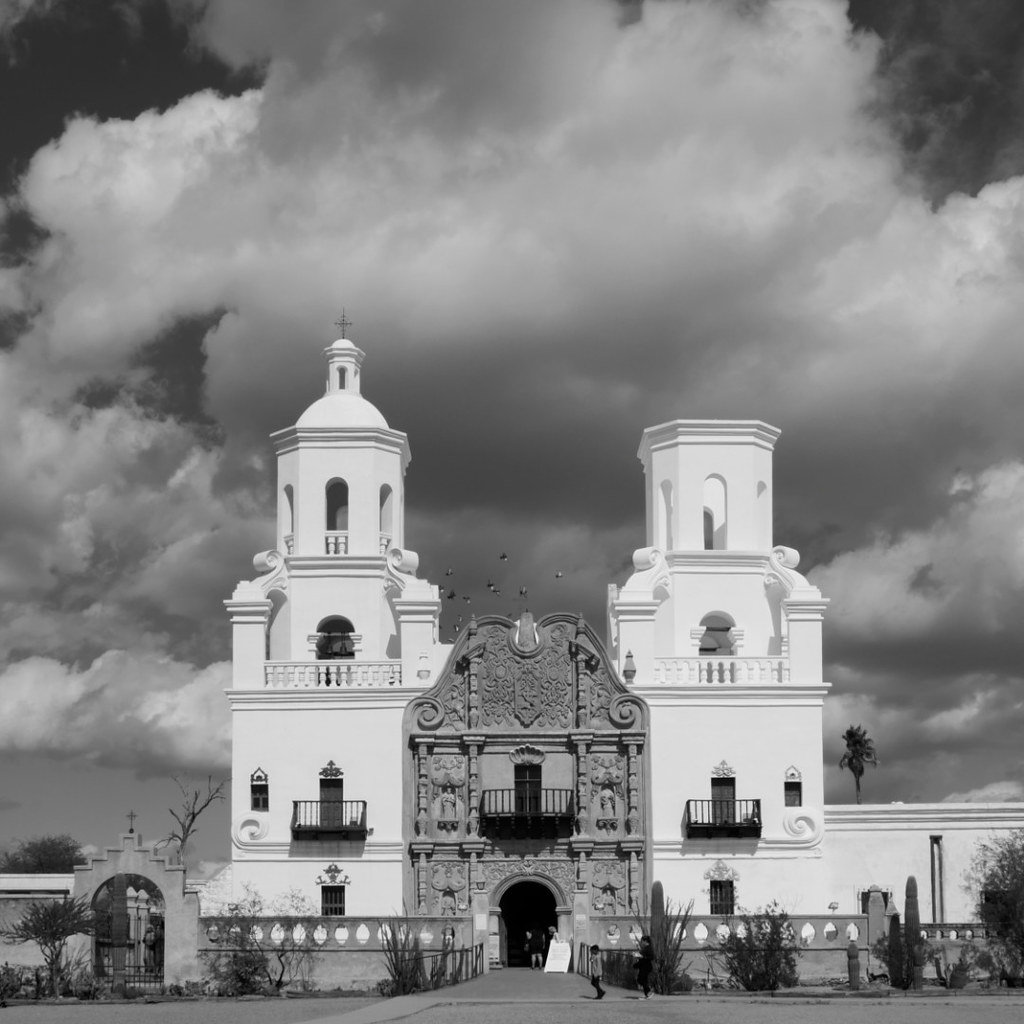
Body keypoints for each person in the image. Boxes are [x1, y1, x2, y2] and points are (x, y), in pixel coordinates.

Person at [636, 933, 654, 998]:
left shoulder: (649, 948)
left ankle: (648, 992)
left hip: (646, 966)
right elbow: (641, 955)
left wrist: (642, 957)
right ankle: (646, 993)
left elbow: (651, 957)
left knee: (642, 979)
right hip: (644, 966)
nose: (641, 942)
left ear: (645, 941)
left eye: (642, 941)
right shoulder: (646, 948)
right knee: (642, 980)